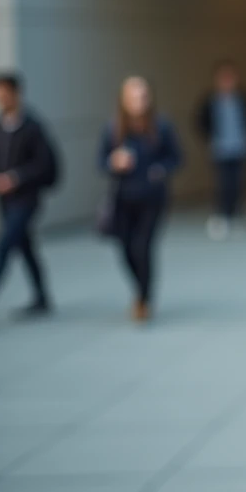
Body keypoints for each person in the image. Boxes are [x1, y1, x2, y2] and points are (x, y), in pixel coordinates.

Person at [99, 76, 182, 323]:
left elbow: (177, 158)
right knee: (125, 249)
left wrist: (159, 169)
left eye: (143, 96)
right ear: (123, 100)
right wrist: (114, 162)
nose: (139, 101)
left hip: (152, 198)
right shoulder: (113, 129)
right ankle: (140, 289)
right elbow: (101, 161)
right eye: (133, 96)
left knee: (143, 247)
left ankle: (144, 299)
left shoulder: (161, 127)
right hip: (123, 198)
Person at [0, 72, 57, 327]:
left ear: (16, 93)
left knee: (3, 248)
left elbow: (45, 164)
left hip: (26, 200)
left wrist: (16, 177)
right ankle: (43, 298)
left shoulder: (33, 127)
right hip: (4, 201)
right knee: (26, 248)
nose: (0, 98)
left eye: (4, 93)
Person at [195, 60, 246, 240]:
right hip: (220, 148)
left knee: (238, 182)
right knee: (223, 183)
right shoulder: (211, 100)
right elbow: (200, 121)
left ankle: (237, 214)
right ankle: (222, 215)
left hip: (239, 146)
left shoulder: (243, 98)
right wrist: (209, 138)